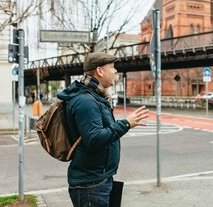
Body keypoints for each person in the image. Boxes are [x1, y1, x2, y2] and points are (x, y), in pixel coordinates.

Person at [57, 52, 149, 207]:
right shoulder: (86, 101)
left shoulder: (95, 97)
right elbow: (94, 139)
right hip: (90, 185)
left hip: (99, 179)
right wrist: (125, 124)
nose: (115, 71)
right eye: (112, 67)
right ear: (99, 71)